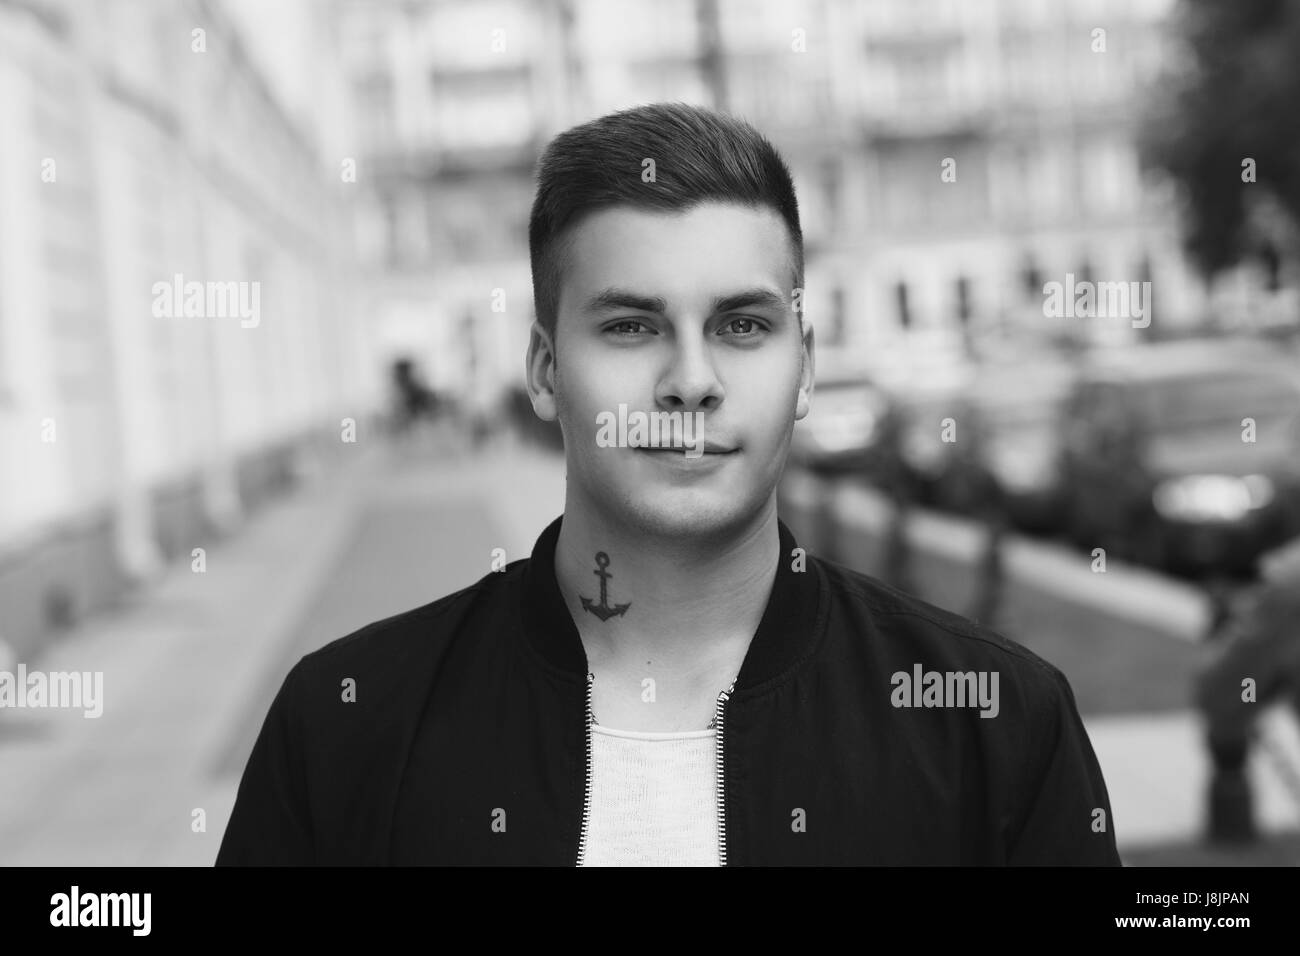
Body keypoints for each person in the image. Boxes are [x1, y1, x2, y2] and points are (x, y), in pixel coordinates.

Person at [217, 102, 1120, 866]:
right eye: (631, 327)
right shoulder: (345, 725)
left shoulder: (994, 726)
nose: (691, 381)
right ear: (542, 370)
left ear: (805, 369)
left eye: (741, 325)